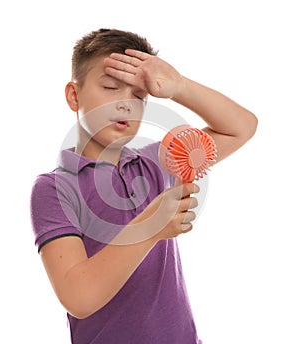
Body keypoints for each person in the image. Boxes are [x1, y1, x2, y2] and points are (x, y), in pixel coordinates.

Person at [30, 28, 257, 344]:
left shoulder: (156, 162)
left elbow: (240, 128)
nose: (126, 103)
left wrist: (180, 87)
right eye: (110, 87)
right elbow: (79, 298)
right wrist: (150, 226)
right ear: (74, 95)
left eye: (138, 95)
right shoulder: (55, 188)